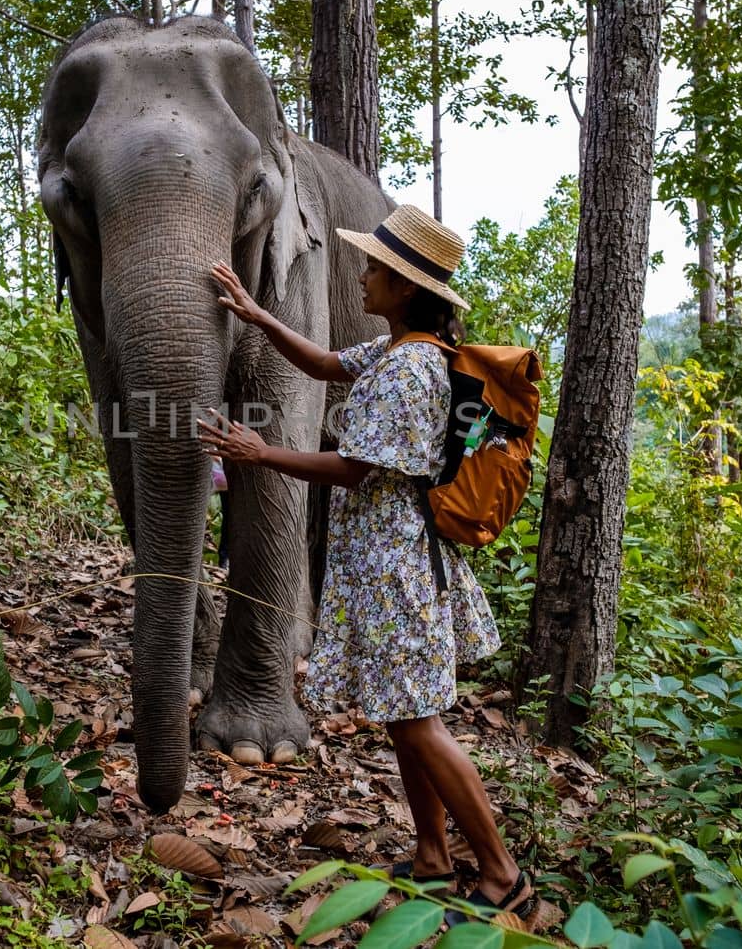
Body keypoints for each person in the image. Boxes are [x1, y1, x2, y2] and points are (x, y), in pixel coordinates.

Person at [198, 205, 536, 927]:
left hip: (399, 570)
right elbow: (324, 363)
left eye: (376, 269)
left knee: (418, 722)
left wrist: (259, 453)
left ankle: (504, 874)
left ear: (408, 287)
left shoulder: (412, 369)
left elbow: (355, 468)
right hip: (384, 566)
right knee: (401, 716)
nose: (364, 275)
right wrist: (257, 315)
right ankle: (432, 856)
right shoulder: (391, 351)